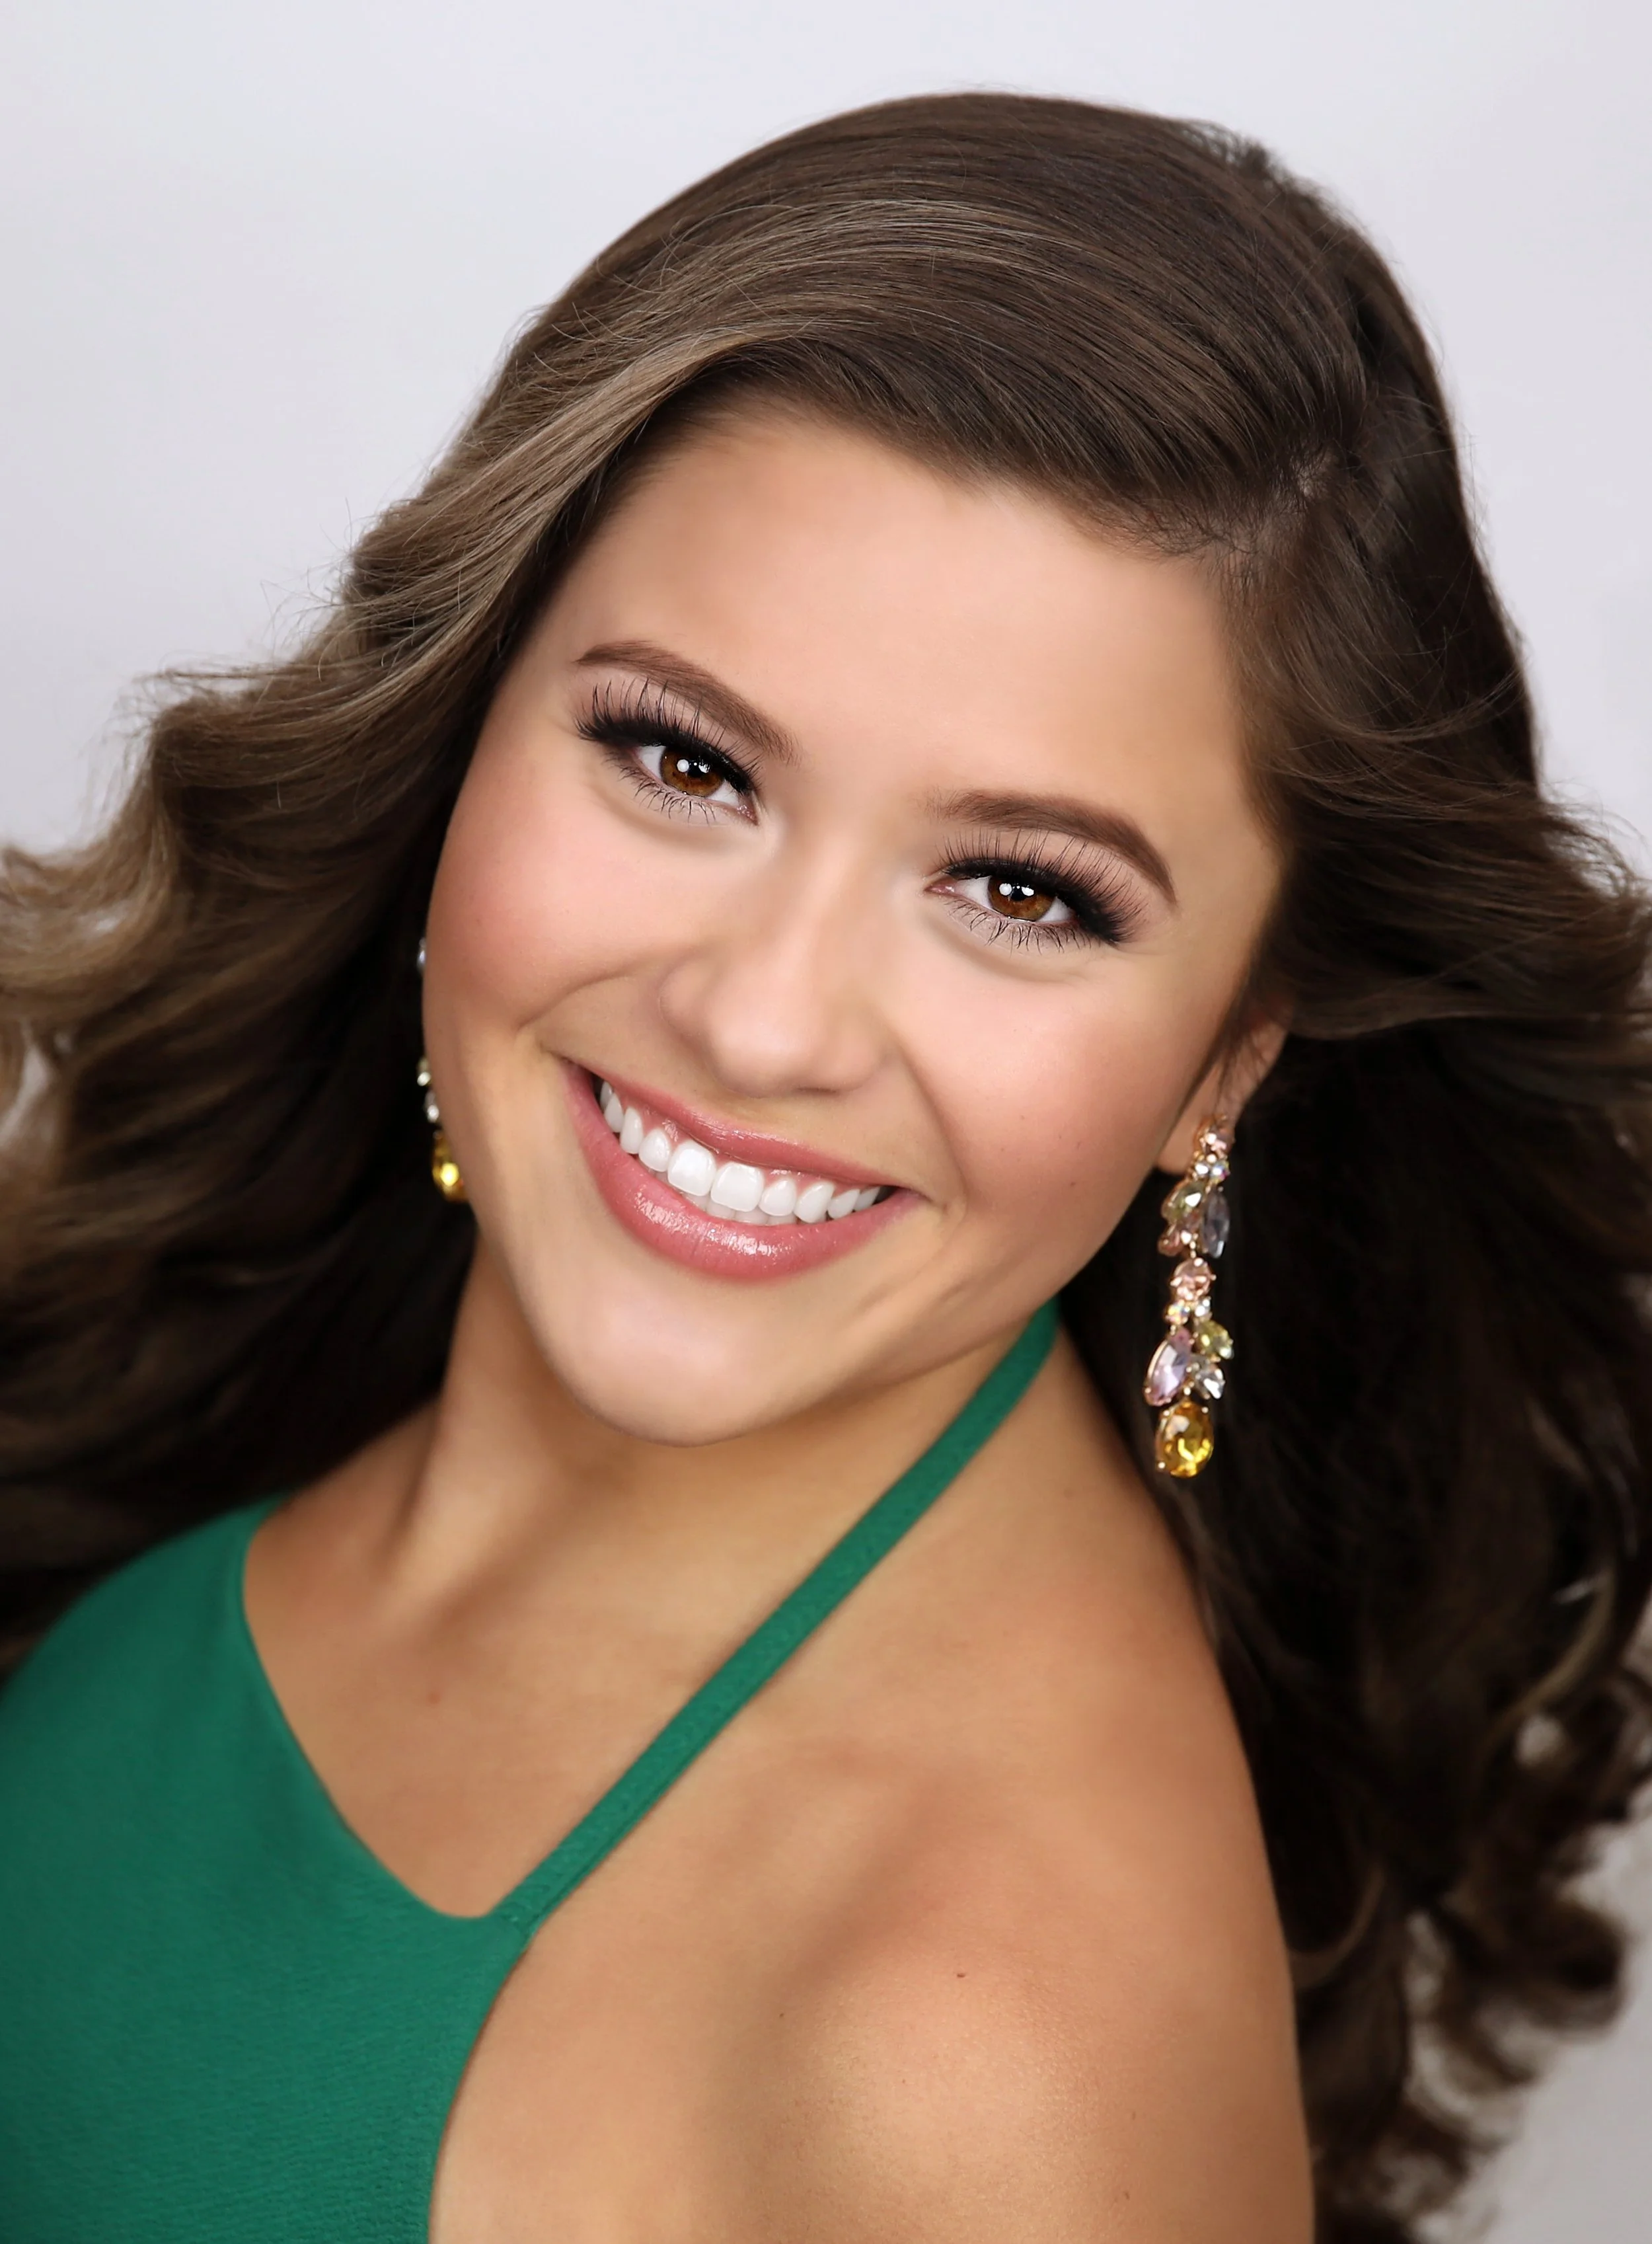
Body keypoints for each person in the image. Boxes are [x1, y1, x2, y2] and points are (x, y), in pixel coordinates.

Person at [1, 89, 1648, 2244]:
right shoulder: (238, 1334)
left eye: (1025, 893)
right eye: (678, 759)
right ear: (463, 728)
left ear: (1220, 1061)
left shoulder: (978, 2057)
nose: (763, 1023)